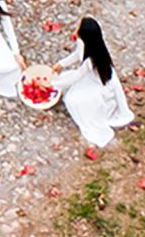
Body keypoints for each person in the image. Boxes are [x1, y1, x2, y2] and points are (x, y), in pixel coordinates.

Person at [53, 17, 136, 149]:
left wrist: (52, 85)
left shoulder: (91, 60)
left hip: (97, 83)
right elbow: (77, 55)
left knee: (72, 99)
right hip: (89, 76)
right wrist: (61, 64)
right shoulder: (84, 43)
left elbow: (77, 75)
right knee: (63, 78)